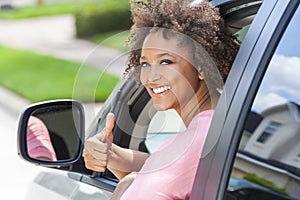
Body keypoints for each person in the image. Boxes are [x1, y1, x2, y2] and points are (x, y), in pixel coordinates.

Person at [83, 0, 239, 199]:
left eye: (166, 61)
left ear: (201, 65)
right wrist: (111, 154)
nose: (151, 77)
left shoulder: (197, 139)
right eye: (145, 64)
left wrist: (126, 185)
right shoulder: (219, 125)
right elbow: (164, 169)